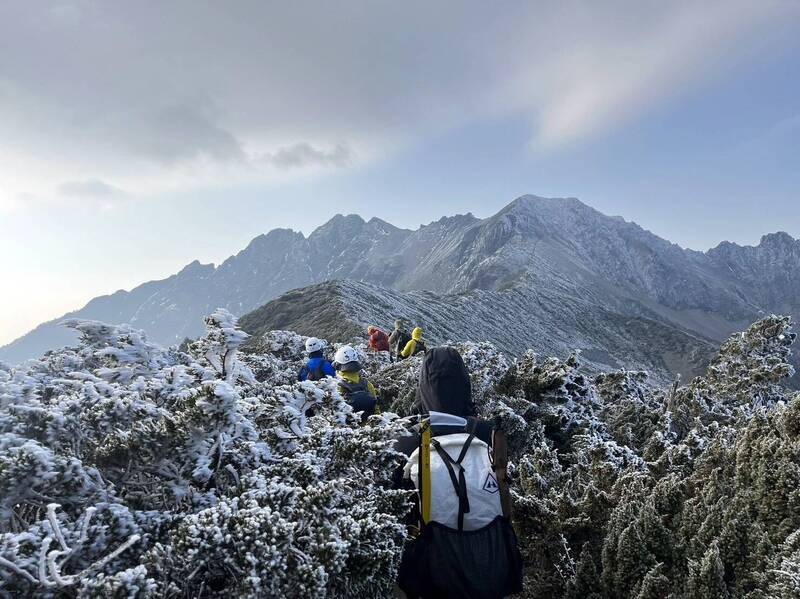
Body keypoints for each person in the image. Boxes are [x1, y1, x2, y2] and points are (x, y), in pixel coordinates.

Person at [333, 345, 378, 422]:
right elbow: (376, 408)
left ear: (338, 365)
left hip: (349, 430)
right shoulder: (367, 384)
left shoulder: (337, 386)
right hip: (368, 427)